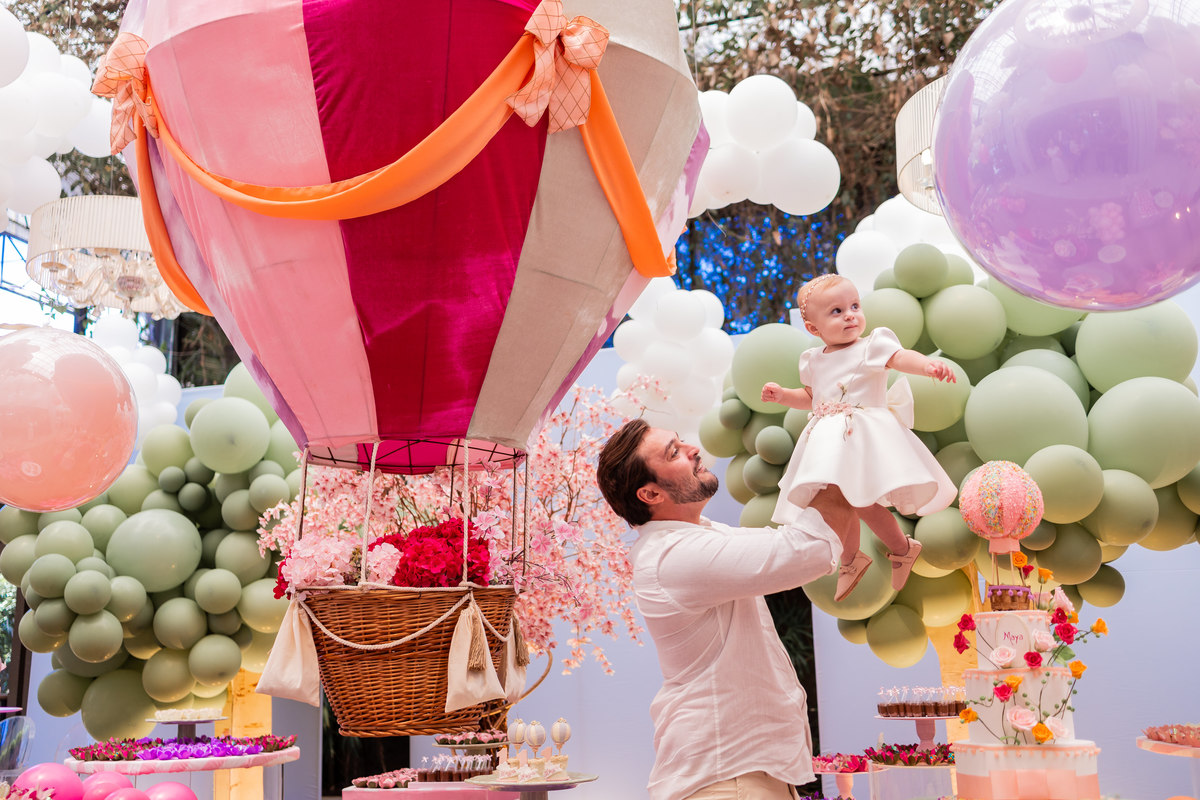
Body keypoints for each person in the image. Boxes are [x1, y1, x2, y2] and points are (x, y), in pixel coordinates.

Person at [596, 418, 855, 800]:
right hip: (727, 780)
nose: (693, 449)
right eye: (674, 452)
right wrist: (843, 441)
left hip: (739, 775)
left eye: (681, 441)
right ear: (650, 494)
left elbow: (797, 541)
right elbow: (809, 548)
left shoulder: (699, 538)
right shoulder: (675, 556)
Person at [761, 273, 958, 603]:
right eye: (836, 311)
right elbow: (812, 397)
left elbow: (901, 357)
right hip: (827, 440)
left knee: (860, 500)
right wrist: (784, 396)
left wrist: (927, 366)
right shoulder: (814, 359)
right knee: (834, 500)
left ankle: (899, 548)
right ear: (813, 328)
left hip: (863, 434)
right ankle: (851, 559)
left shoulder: (872, 345)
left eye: (854, 306)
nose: (850, 314)